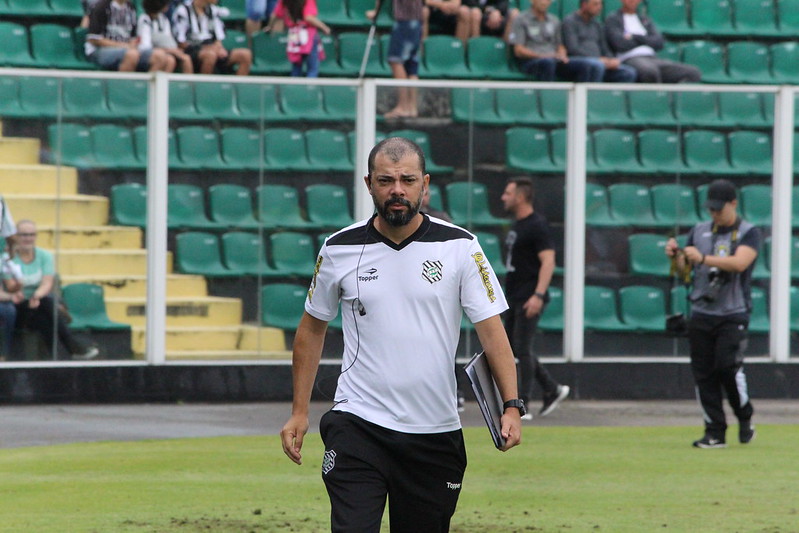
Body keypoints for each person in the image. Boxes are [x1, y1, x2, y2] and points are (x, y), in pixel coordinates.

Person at [280, 137, 523, 532]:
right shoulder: (339, 248)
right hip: (358, 422)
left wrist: (511, 405)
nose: (397, 190)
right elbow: (311, 328)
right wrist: (299, 410)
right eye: (386, 180)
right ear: (368, 184)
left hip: (434, 432)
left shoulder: (460, 246)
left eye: (407, 180)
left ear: (424, 185)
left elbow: (492, 332)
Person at [665, 179, 760, 449]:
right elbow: (685, 272)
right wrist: (676, 256)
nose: (715, 214)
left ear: (733, 204)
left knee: (727, 368)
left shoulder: (748, 232)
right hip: (702, 311)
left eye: (719, 209)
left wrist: (703, 259)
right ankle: (714, 431)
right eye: (711, 209)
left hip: (733, 312)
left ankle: (744, 415)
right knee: (703, 373)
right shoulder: (699, 231)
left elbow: (740, 263)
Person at [500, 178, 569, 419]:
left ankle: (524, 403)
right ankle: (551, 389)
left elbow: (548, 261)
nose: (503, 198)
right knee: (512, 347)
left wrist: (538, 295)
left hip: (530, 295)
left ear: (520, 197)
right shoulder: (518, 225)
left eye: (508, 193)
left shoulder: (537, 225)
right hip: (515, 295)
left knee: (522, 348)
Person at [10, 220, 98, 361]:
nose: (28, 238)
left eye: (32, 234)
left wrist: (36, 296)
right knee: (48, 304)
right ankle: (72, 346)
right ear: (16, 237)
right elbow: (11, 287)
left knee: (44, 318)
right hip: (18, 304)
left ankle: (54, 359)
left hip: (40, 304)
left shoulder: (45, 256)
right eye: (24, 235)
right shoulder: (9, 258)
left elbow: (47, 283)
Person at [604, 0, 700, 83]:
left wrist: (634, 37)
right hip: (630, 58)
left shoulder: (645, 20)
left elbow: (659, 42)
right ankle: (655, 100)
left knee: (692, 72)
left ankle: (676, 101)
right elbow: (620, 44)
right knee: (649, 71)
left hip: (652, 58)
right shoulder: (613, 19)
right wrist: (646, 40)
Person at [85, 0, 174, 72]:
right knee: (132, 55)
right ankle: (123, 91)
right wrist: (124, 46)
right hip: (98, 51)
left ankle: (146, 91)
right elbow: (94, 39)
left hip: (126, 49)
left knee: (163, 57)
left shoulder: (130, 8)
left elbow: (132, 37)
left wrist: (133, 44)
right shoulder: (101, 6)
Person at [370, 0, 424, 119]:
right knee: (411, 66)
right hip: (417, 22)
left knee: (396, 61)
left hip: (404, 22)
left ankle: (403, 106)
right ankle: (412, 107)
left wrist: (376, 11)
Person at [560, 0, 636, 82]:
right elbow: (573, 49)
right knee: (596, 66)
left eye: (600, 4)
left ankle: (613, 94)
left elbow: (605, 47)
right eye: (595, 4)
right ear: (584, 5)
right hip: (578, 61)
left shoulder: (597, 25)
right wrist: (597, 59)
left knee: (628, 73)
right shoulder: (570, 22)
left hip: (600, 62)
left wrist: (611, 59)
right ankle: (593, 94)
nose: (599, 7)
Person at [172, 0, 253, 75]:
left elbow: (218, 37)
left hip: (211, 47)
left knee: (245, 55)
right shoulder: (183, 11)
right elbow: (181, 42)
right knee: (210, 55)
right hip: (191, 49)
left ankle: (235, 88)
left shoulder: (213, 11)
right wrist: (205, 48)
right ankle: (205, 88)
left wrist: (219, 48)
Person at [264, 0, 331, 78]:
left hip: (294, 34)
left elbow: (275, 14)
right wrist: (324, 28)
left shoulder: (285, 1)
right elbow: (308, 17)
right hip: (308, 34)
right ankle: (310, 88)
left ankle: (294, 88)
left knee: (296, 66)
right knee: (312, 67)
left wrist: (269, 26)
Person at [506, 0, 569, 81]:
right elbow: (518, 51)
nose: (543, 2)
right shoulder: (521, 19)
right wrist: (543, 56)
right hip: (530, 62)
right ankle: (548, 92)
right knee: (548, 63)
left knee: (585, 66)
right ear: (532, 1)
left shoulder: (554, 20)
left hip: (554, 60)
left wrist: (562, 55)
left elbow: (560, 45)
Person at [138, 0, 194, 73]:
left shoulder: (164, 20)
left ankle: (189, 83)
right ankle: (151, 83)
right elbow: (145, 46)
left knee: (186, 58)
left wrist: (174, 50)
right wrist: (169, 50)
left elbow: (168, 40)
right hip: (147, 52)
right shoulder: (145, 19)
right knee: (169, 60)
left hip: (165, 50)